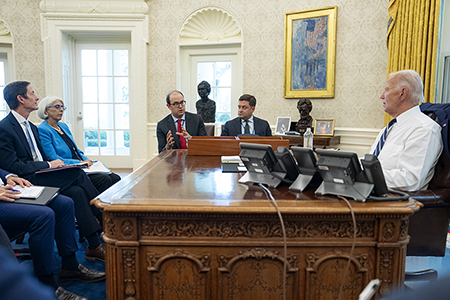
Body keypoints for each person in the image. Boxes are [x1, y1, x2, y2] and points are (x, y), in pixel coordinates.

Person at [0, 81, 105, 262]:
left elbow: (43, 157)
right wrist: (49, 166)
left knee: (77, 191)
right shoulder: (4, 128)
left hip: (41, 174)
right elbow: (14, 166)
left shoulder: (31, 127)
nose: (37, 97)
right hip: (26, 180)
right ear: (20, 99)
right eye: (32, 93)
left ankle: (92, 247)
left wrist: (56, 165)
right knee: (78, 174)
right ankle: (104, 219)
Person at [0, 168, 105, 300]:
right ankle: (48, 283)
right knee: (43, 215)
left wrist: (8, 176)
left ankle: (70, 267)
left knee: (65, 203)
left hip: (7, 189)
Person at [369, 70, 443, 191]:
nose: (382, 96)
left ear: (403, 93)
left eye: (387, 90)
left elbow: (410, 180)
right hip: (373, 193)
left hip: (398, 203)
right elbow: (372, 163)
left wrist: (364, 175)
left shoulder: (424, 129)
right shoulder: (390, 128)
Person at [36, 96, 121, 194]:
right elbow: (53, 157)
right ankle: (96, 207)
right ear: (46, 110)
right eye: (57, 107)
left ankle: (110, 207)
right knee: (104, 179)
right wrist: (80, 163)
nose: (61, 110)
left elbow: (75, 149)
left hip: (81, 164)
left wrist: (86, 160)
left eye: (63, 107)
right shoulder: (43, 129)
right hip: (68, 168)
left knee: (115, 177)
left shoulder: (63, 126)